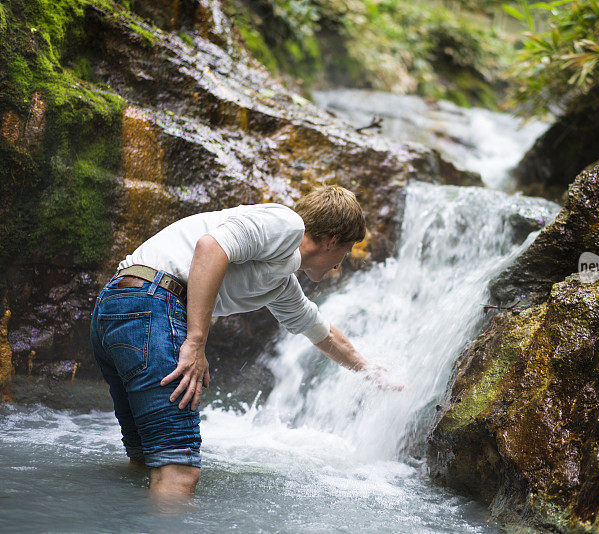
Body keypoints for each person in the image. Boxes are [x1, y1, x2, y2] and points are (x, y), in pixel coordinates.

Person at [90, 185, 398, 498]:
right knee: (179, 468)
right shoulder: (287, 224)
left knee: (147, 458)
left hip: (117, 308)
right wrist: (196, 342)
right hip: (151, 304)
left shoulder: (280, 281)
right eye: (344, 252)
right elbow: (211, 247)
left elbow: (320, 330)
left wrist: (369, 370)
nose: (340, 263)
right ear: (332, 240)